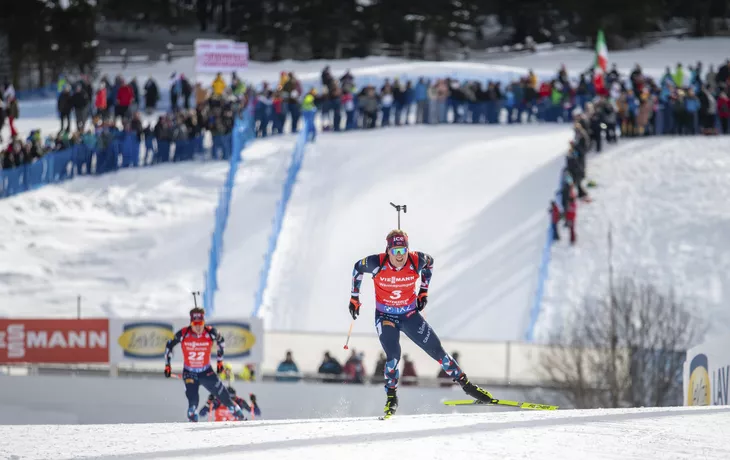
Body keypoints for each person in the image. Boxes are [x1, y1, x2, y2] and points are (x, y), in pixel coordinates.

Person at [349, 229, 494, 418]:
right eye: (395, 251)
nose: (400, 256)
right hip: (386, 317)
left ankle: (467, 386)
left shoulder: (416, 260)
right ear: (388, 251)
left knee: (438, 352)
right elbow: (357, 268)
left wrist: (423, 291)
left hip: (410, 315)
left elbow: (430, 263)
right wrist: (354, 297)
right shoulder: (377, 262)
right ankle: (391, 398)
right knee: (393, 356)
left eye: (403, 251)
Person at [164, 307, 246, 422]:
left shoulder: (210, 332)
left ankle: (237, 412)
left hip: (206, 371)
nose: (198, 327)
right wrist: (167, 365)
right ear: (191, 323)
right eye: (195, 324)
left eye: (200, 323)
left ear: (204, 322)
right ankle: (192, 414)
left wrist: (219, 362)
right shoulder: (184, 333)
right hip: (190, 372)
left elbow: (221, 341)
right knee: (193, 399)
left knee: (223, 394)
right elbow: (169, 345)